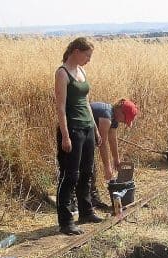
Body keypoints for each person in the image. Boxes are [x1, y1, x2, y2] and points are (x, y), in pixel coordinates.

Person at [54, 37, 103, 235]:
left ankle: (86, 211)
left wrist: (96, 129)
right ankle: (66, 222)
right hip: (72, 128)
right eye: (87, 55)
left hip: (87, 127)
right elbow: (60, 107)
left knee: (87, 171)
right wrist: (65, 135)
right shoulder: (62, 73)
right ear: (76, 51)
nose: (89, 60)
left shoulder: (82, 71)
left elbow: (86, 102)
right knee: (70, 175)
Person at [89, 99, 140, 209]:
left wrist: (116, 159)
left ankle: (92, 199)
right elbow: (102, 143)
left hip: (87, 141)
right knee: (85, 169)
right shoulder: (106, 116)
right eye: (125, 119)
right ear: (120, 111)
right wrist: (107, 167)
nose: (124, 122)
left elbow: (112, 139)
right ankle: (74, 201)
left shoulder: (114, 118)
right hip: (75, 135)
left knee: (90, 169)